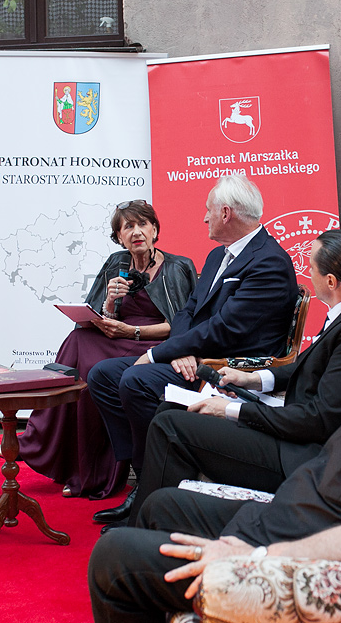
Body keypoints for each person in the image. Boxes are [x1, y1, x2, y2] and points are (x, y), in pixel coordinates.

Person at [87, 231, 341, 621]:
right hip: (293, 514)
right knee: (163, 505)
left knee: (114, 555)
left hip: (293, 551)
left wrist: (255, 557)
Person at [120, 229, 341, 531]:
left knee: (170, 426)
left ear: (331, 282)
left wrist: (229, 409)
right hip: (291, 433)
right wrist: (252, 379)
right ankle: (160, 515)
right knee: (171, 411)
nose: (308, 273)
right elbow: (306, 369)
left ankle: (143, 527)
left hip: (299, 456)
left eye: (312, 267)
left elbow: (320, 418)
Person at [87, 173, 298, 523]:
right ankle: (145, 476)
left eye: (208, 210)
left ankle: (157, 489)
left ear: (226, 213)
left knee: (135, 381)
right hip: (198, 355)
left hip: (228, 368)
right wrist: (177, 349)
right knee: (103, 375)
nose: (204, 217)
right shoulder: (218, 256)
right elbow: (189, 311)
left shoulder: (268, 262)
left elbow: (227, 329)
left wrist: (159, 352)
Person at [13, 201, 198, 499]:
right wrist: (110, 305)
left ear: (155, 230)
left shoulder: (177, 267)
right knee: (78, 343)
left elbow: (179, 326)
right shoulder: (116, 263)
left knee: (90, 374)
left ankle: (92, 472)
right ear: (119, 236)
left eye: (143, 224)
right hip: (120, 337)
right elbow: (101, 316)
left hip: (156, 343)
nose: (136, 232)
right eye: (128, 227)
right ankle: (47, 445)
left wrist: (133, 331)